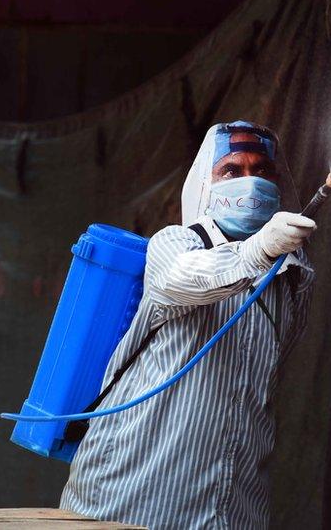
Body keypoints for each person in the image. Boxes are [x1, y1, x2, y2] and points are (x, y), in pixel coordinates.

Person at [60, 121, 316, 529]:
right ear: (205, 184)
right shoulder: (177, 244)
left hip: (232, 508)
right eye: (231, 170)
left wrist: (271, 255)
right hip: (128, 500)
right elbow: (184, 277)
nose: (250, 183)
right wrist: (260, 248)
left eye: (262, 170)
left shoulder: (291, 276)